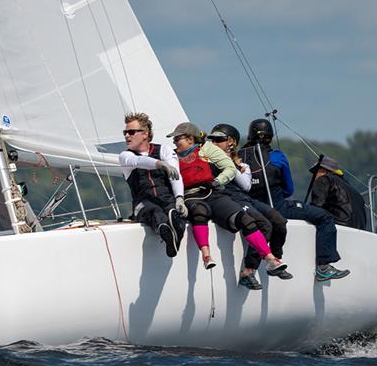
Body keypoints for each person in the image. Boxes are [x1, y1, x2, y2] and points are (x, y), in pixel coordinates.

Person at [168, 121, 290, 277]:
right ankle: (207, 256)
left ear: (190, 139)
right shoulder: (171, 155)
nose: (174, 142)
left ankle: (271, 259)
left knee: (247, 219)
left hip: (213, 193)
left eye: (177, 139)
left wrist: (218, 181)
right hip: (191, 196)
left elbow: (231, 169)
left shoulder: (208, 150)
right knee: (200, 211)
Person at [240, 118, 350, 282]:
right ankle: (323, 267)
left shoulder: (239, 158)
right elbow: (289, 189)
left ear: (249, 137)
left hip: (252, 210)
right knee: (325, 217)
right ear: (270, 137)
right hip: (279, 207)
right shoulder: (277, 157)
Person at [207, 123, 291, 289]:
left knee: (279, 221)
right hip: (230, 198)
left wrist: (230, 163)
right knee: (264, 225)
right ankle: (249, 270)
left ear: (231, 142)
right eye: (213, 140)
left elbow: (246, 186)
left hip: (245, 197)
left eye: (219, 140)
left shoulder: (242, 165)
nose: (214, 144)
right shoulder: (209, 161)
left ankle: (275, 258)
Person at [119, 112, 188, 257]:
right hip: (142, 203)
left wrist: (180, 197)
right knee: (155, 212)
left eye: (131, 132)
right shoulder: (125, 156)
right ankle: (165, 230)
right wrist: (159, 164)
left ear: (145, 134)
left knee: (174, 211)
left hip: (167, 198)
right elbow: (137, 162)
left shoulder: (164, 150)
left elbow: (175, 175)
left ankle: (173, 236)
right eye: (125, 132)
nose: (126, 136)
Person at [309, 157, 368, 230]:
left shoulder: (324, 179)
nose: (314, 177)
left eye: (315, 173)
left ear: (322, 171)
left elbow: (315, 210)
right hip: (360, 234)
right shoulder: (355, 191)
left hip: (336, 230)